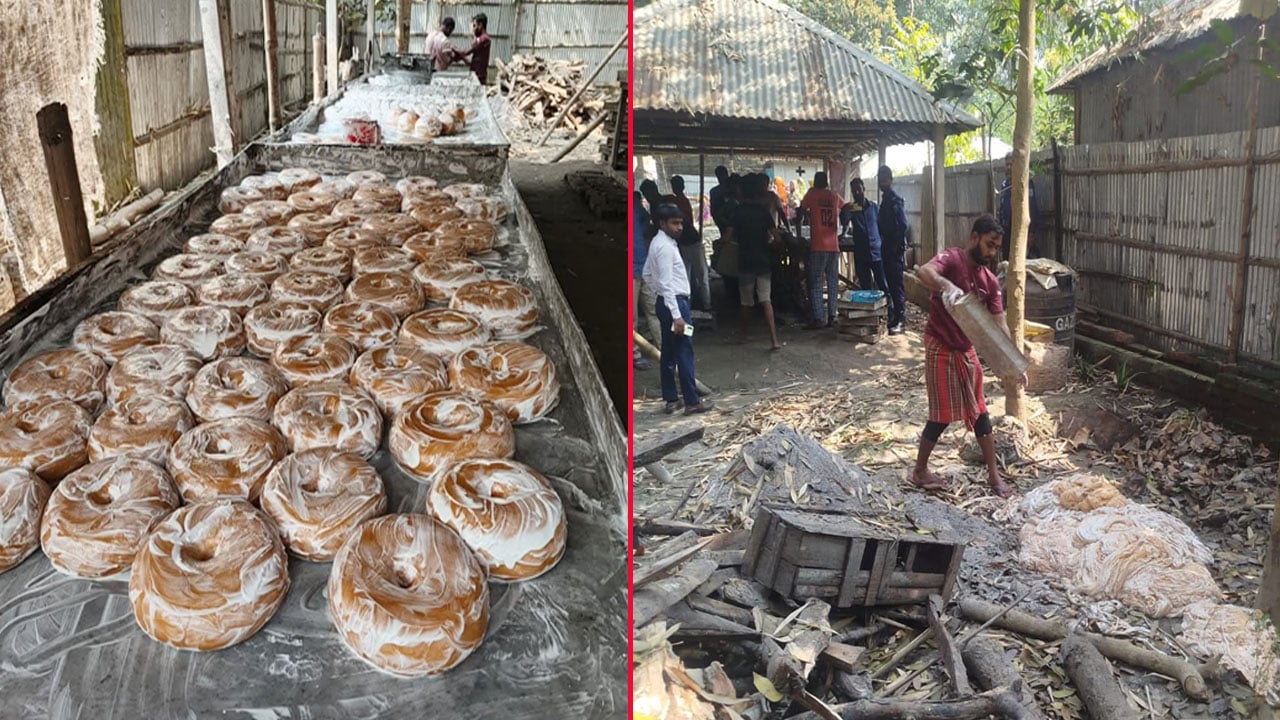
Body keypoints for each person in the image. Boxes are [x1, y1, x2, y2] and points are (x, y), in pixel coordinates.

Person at [912, 214, 1024, 498]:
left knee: (980, 411)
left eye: (996, 247)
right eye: (989, 244)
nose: (992, 252)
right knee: (941, 415)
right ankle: (919, 471)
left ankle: (994, 476)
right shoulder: (951, 259)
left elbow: (999, 324)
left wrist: (1014, 361)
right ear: (974, 237)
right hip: (940, 343)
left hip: (965, 348)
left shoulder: (989, 281)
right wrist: (946, 286)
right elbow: (924, 272)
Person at [642, 204, 713, 416]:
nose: (679, 227)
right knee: (684, 350)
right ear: (662, 224)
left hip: (667, 303)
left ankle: (671, 399)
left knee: (670, 352)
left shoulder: (660, 242)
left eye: (680, 223)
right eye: (674, 223)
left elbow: (647, 274)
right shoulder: (664, 247)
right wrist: (677, 315)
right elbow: (664, 282)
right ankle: (692, 401)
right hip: (677, 306)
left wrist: (661, 296)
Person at [724, 173, 780, 350]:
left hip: (746, 262)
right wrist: (769, 242)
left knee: (746, 302)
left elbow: (727, 237)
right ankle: (774, 340)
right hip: (763, 261)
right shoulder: (763, 211)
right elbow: (777, 237)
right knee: (766, 300)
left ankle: (743, 335)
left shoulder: (738, 212)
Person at [797, 171, 843, 329]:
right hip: (834, 246)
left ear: (816, 182)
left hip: (818, 245)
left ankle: (818, 318)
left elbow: (800, 211)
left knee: (816, 282)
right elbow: (847, 207)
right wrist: (844, 229)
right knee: (832, 282)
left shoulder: (812, 194)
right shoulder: (834, 196)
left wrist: (797, 232)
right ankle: (832, 316)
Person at [877, 165, 910, 335]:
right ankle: (895, 317)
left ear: (890, 180)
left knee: (896, 284)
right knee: (890, 282)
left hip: (893, 247)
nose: (882, 183)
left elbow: (903, 225)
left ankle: (901, 320)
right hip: (887, 245)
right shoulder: (886, 199)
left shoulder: (894, 200)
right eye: (880, 179)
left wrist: (896, 245)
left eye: (884, 179)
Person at [840, 178, 888, 296]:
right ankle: (871, 312)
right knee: (866, 287)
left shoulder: (874, 207)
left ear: (864, 189)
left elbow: (881, 227)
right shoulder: (852, 209)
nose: (856, 193)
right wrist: (844, 211)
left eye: (858, 189)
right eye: (854, 191)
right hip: (862, 254)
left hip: (877, 252)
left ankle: (889, 310)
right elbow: (844, 222)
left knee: (883, 284)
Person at [670, 176, 711, 311]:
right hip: (685, 243)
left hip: (692, 243)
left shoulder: (680, 202)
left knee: (700, 276)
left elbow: (686, 221)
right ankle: (691, 306)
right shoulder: (678, 201)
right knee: (689, 277)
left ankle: (706, 305)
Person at [632, 191, 661, 370]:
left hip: (643, 265)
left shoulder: (636, 206)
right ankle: (634, 355)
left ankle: (664, 348)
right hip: (633, 269)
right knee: (632, 318)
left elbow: (648, 221)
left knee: (654, 310)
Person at [998, 152, 1039, 261]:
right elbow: (1002, 209)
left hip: (1021, 231)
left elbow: (1032, 208)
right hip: (1006, 232)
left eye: (1011, 164)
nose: (1009, 167)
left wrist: (1032, 232)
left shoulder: (1026, 184)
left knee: (1022, 261)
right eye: (1007, 165)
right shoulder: (1004, 185)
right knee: (1007, 261)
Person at [455, 13, 492, 85]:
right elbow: (474, 60)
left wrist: (454, 50)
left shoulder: (483, 39)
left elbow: (467, 52)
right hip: (476, 75)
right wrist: (461, 57)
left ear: (480, 25)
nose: (473, 29)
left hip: (478, 77)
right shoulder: (482, 39)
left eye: (474, 26)